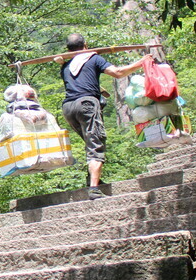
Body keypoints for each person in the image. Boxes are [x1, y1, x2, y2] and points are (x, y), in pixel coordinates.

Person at [59, 34, 146, 199]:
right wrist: (141, 63)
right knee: (95, 144)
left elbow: (81, 82)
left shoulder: (66, 67)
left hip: (68, 108)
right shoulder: (93, 58)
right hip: (86, 105)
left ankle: (92, 179)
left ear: (68, 49)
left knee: (90, 141)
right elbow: (118, 72)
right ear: (86, 44)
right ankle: (93, 189)